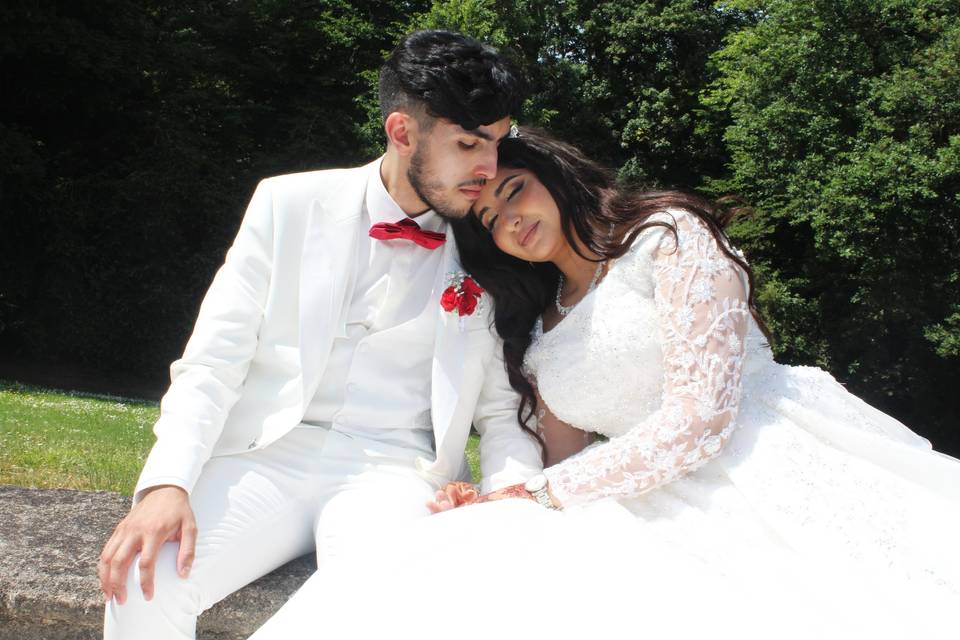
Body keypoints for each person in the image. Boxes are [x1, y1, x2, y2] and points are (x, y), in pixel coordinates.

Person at [247, 128, 960, 639]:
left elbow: (701, 418)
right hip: (635, 493)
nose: (508, 220)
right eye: (490, 218)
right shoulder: (537, 330)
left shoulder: (668, 237)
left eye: (515, 191)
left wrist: (540, 492)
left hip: (759, 451)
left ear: (556, 175)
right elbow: (560, 464)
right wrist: (498, 497)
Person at [97, 31, 544, 640]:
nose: (488, 169)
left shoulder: (490, 240)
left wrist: (506, 501)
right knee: (143, 581)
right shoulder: (287, 203)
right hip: (267, 454)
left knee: (373, 612)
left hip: (398, 473)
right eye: (468, 144)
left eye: (497, 142)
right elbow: (213, 359)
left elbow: (500, 410)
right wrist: (166, 482)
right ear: (402, 132)